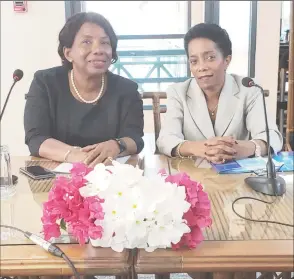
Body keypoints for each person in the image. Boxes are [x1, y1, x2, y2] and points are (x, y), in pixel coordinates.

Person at [24, 12, 144, 167]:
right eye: (87, 42)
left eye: (105, 43)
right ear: (68, 53)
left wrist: (117, 145)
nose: (98, 49)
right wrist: (75, 155)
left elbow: (135, 139)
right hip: (54, 174)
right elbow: (36, 138)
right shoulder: (45, 82)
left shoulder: (127, 89)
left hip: (110, 176)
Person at [157, 23, 283, 164]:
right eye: (194, 61)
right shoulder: (178, 92)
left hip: (239, 177)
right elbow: (165, 139)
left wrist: (244, 148)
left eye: (210, 58)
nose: (201, 67)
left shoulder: (249, 89)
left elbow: (272, 137)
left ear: (227, 60)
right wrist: (200, 148)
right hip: (193, 176)